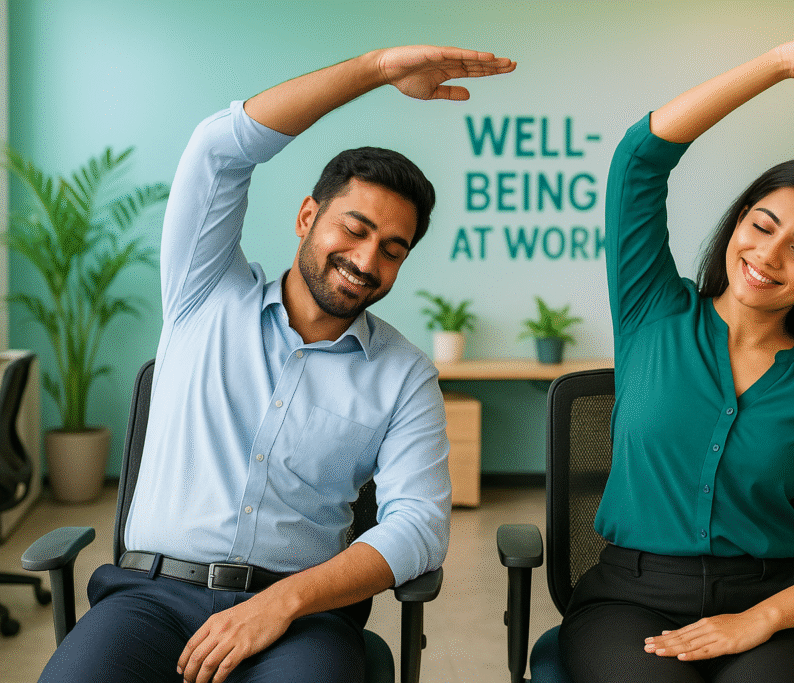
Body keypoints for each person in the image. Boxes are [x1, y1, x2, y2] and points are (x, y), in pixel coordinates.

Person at [38, 46, 515, 683]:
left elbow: (419, 527)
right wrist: (377, 71)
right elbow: (219, 148)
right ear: (307, 216)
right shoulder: (203, 290)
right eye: (355, 228)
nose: (367, 260)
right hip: (149, 598)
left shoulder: (404, 375)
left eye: (392, 249)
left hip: (302, 617)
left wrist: (283, 602)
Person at [558, 42, 794, 683]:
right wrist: (778, 64)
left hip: (767, 601)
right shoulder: (653, 313)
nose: (768, 255)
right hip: (629, 600)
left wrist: (767, 618)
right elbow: (638, 161)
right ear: (737, 221)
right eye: (762, 223)